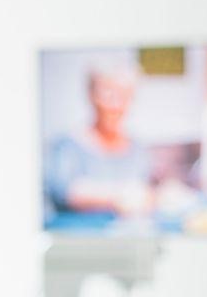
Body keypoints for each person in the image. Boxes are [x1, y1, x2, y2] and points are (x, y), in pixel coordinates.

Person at [46, 63, 153, 221]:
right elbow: (64, 192)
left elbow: (144, 194)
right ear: (91, 95)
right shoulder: (67, 145)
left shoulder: (137, 148)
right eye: (109, 93)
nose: (116, 105)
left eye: (125, 95)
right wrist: (119, 196)